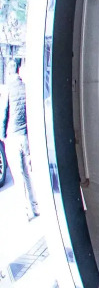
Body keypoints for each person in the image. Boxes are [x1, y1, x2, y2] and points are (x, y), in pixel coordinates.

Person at [5, 59, 36, 220]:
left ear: (9, 71)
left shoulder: (9, 89)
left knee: (19, 175)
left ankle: (26, 212)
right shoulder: (25, 87)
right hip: (25, 137)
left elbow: (4, 113)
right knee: (29, 173)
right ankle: (35, 206)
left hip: (13, 136)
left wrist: (2, 135)